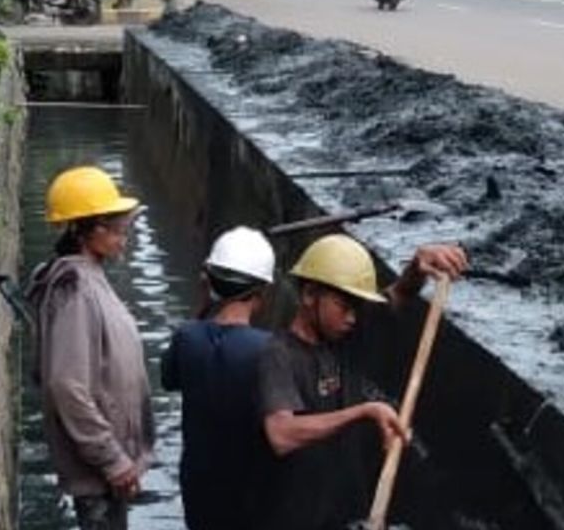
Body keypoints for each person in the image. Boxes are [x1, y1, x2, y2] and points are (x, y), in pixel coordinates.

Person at [256, 234, 468, 530]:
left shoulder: (346, 335)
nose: (353, 318)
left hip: (351, 517)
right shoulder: (277, 355)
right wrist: (364, 412)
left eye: (357, 307)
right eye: (343, 305)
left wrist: (418, 267)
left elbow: (398, 295)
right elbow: (282, 434)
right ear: (309, 295)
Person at [27, 166, 152, 530]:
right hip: (100, 469)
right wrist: (112, 458)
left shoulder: (88, 278)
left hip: (107, 466)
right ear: (84, 230)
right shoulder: (75, 290)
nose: (123, 236)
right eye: (114, 227)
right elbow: (67, 385)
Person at [161, 227, 277, 530]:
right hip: (249, 494)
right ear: (261, 293)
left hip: (198, 487)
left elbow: (169, 379)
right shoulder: (268, 349)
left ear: (208, 282)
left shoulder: (186, 337)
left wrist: (203, 305)